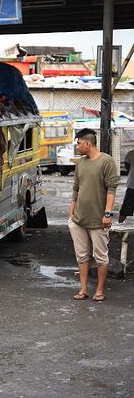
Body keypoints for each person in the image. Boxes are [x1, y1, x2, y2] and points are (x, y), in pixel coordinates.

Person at [68, 128, 118, 302]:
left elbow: (112, 189)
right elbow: (76, 188)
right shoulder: (81, 163)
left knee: (101, 256)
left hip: (98, 219)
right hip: (78, 219)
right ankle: (83, 289)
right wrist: (71, 212)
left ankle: (99, 290)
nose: (77, 146)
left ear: (88, 143)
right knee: (81, 255)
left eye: (79, 143)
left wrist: (107, 213)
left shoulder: (106, 161)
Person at [119, 149, 134, 223]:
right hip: (132, 185)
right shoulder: (131, 153)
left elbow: (127, 167)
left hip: (132, 184)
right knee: (125, 208)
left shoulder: (130, 153)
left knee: (125, 208)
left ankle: (119, 226)